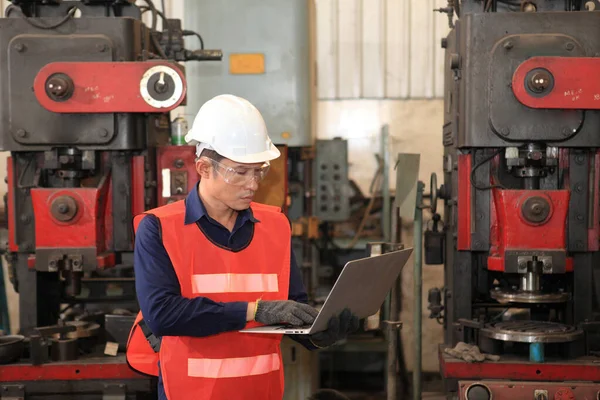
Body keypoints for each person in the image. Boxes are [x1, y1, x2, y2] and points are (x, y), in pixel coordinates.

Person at [126, 94, 359, 400]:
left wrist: (318, 334)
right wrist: (256, 310)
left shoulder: (275, 225)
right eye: (240, 171)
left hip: (262, 391)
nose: (253, 184)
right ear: (204, 167)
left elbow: (291, 310)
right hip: (192, 393)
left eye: (259, 170)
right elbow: (162, 315)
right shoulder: (158, 228)